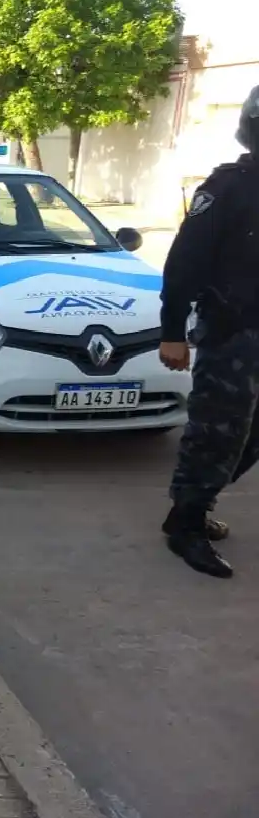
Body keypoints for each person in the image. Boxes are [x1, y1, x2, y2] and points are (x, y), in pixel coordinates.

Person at [158, 86, 259, 579]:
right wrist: (171, 331)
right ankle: (187, 526)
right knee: (216, 432)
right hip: (232, 333)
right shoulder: (228, 187)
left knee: (249, 435)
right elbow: (183, 265)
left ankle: (190, 506)